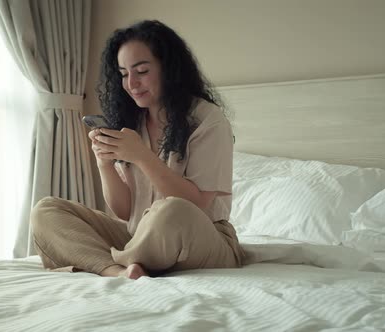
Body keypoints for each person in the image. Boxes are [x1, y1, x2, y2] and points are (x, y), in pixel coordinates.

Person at [30, 20, 244, 279]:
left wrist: (142, 156)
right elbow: (124, 211)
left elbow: (195, 205)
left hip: (201, 237)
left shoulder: (208, 120)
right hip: (139, 235)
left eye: (141, 71)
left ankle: (110, 258)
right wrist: (104, 163)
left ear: (169, 69)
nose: (131, 83)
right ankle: (118, 270)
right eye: (123, 74)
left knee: (170, 211)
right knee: (46, 210)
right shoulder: (133, 123)